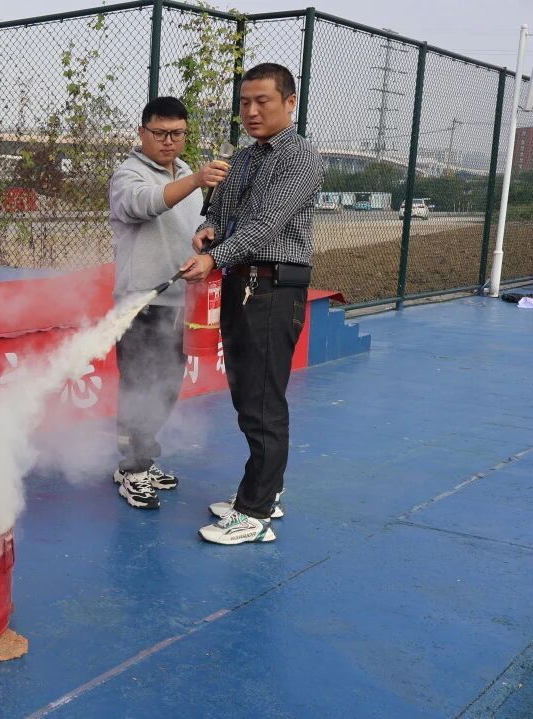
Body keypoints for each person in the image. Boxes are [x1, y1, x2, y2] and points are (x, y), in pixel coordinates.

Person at [179, 63, 325, 544]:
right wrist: (208, 230)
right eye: (244, 102)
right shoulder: (242, 158)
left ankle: (255, 513)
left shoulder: (300, 157)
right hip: (241, 285)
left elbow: (264, 225)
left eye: (263, 101)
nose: (251, 111)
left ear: (290, 103)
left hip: (273, 289)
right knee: (248, 394)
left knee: (262, 399)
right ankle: (265, 491)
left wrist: (213, 258)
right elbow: (221, 213)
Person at [108, 96, 228, 510]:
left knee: (166, 386)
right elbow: (144, 204)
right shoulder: (129, 174)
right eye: (159, 133)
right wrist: (195, 181)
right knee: (139, 384)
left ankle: (145, 458)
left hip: (181, 301)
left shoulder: (187, 175)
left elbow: (194, 225)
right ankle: (131, 468)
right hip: (141, 301)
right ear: (142, 132)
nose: (168, 141)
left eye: (177, 133)